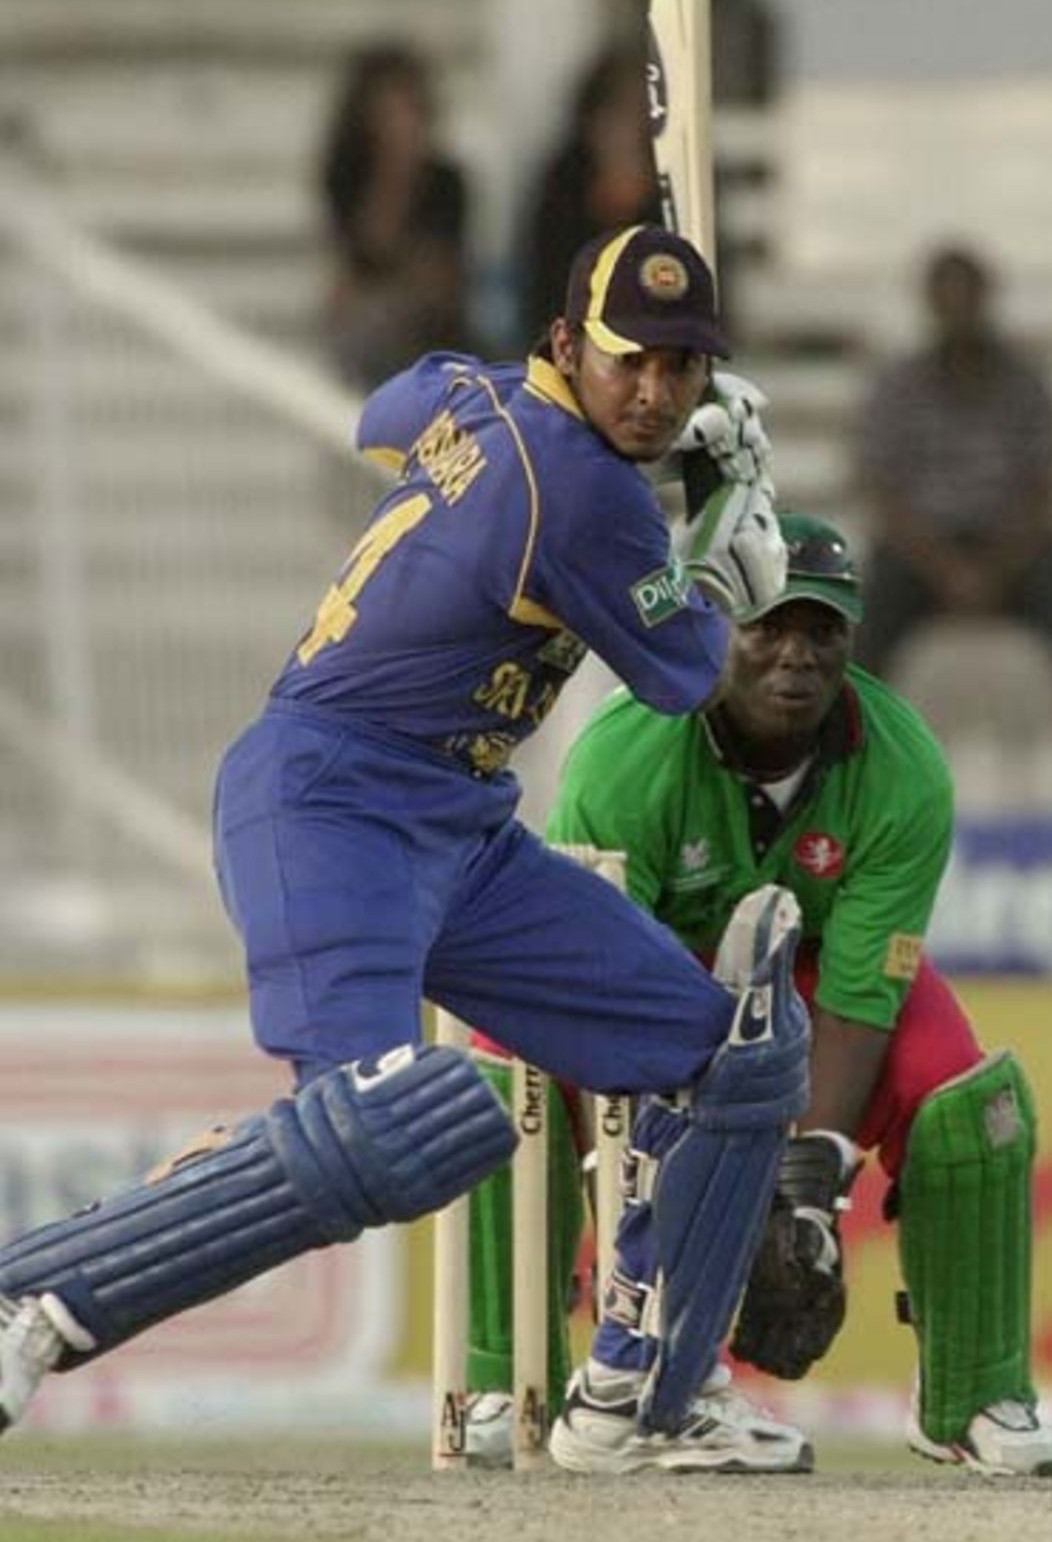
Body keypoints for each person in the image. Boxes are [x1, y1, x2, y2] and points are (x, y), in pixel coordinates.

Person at [0, 223, 815, 1476]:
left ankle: (641, 1394)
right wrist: (720, 531)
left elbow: (380, 414)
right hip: (330, 805)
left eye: (681, 367)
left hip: (460, 827)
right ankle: (32, 1296)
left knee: (728, 1052)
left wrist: (520, 469)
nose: (653, 392)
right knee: (376, 1128)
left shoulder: (470, 391)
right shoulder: (587, 493)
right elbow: (688, 672)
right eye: (627, 362)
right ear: (566, 345)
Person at [461, 511, 1052, 1479]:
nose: (794, 655)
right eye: (766, 627)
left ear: (850, 640)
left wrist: (805, 1195)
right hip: (626, 971)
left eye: (819, 631)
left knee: (963, 1097)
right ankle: (505, 1380)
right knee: (499, 1054)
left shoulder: (904, 770)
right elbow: (604, 974)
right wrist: (679, 1196)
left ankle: (974, 1397)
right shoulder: (628, 753)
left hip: (805, 978)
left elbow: (864, 992)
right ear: (714, 627)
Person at [856, 244, 1052, 809]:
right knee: (855, 618)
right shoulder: (899, 385)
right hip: (922, 554)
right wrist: (947, 570)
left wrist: (997, 567)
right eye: (946, 299)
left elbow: (1049, 485)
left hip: (1014, 552)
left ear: (986, 301)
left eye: (967, 297)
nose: (958, 311)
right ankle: (845, 773)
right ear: (929, 304)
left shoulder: (1027, 383)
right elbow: (881, 491)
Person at [318, 39, 471, 392]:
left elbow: (445, 282)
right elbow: (364, 254)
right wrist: (394, 175)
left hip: (434, 329)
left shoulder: (448, 181)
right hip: (372, 325)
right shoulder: (349, 177)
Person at [515, 44, 660, 351]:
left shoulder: (670, 186)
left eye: (637, 114)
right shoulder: (564, 183)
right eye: (616, 113)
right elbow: (547, 284)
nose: (625, 129)